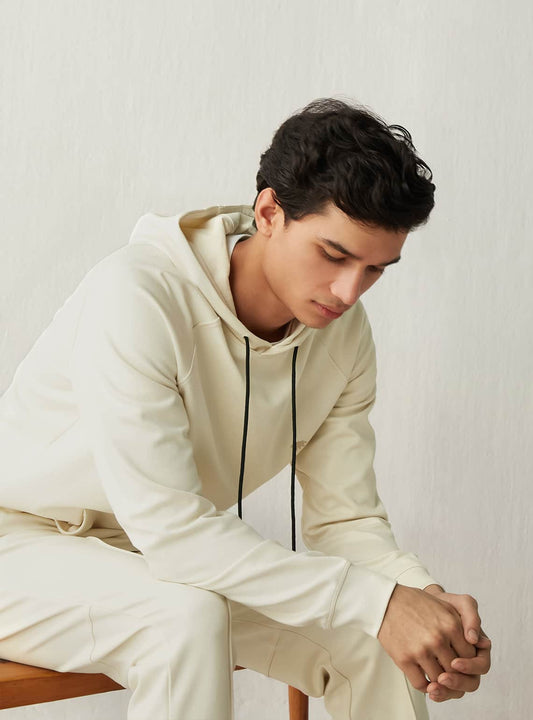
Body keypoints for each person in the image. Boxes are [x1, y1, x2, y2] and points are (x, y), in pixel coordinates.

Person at [0, 98, 491, 719]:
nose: (349, 291)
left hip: (152, 556)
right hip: (18, 544)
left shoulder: (343, 335)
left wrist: (425, 602)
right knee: (183, 618)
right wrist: (378, 601)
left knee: (373, 643)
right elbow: (177, 537)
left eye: (375, 270)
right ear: (268, 213)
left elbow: (345, 520)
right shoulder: (138, 296)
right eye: (334, 255)